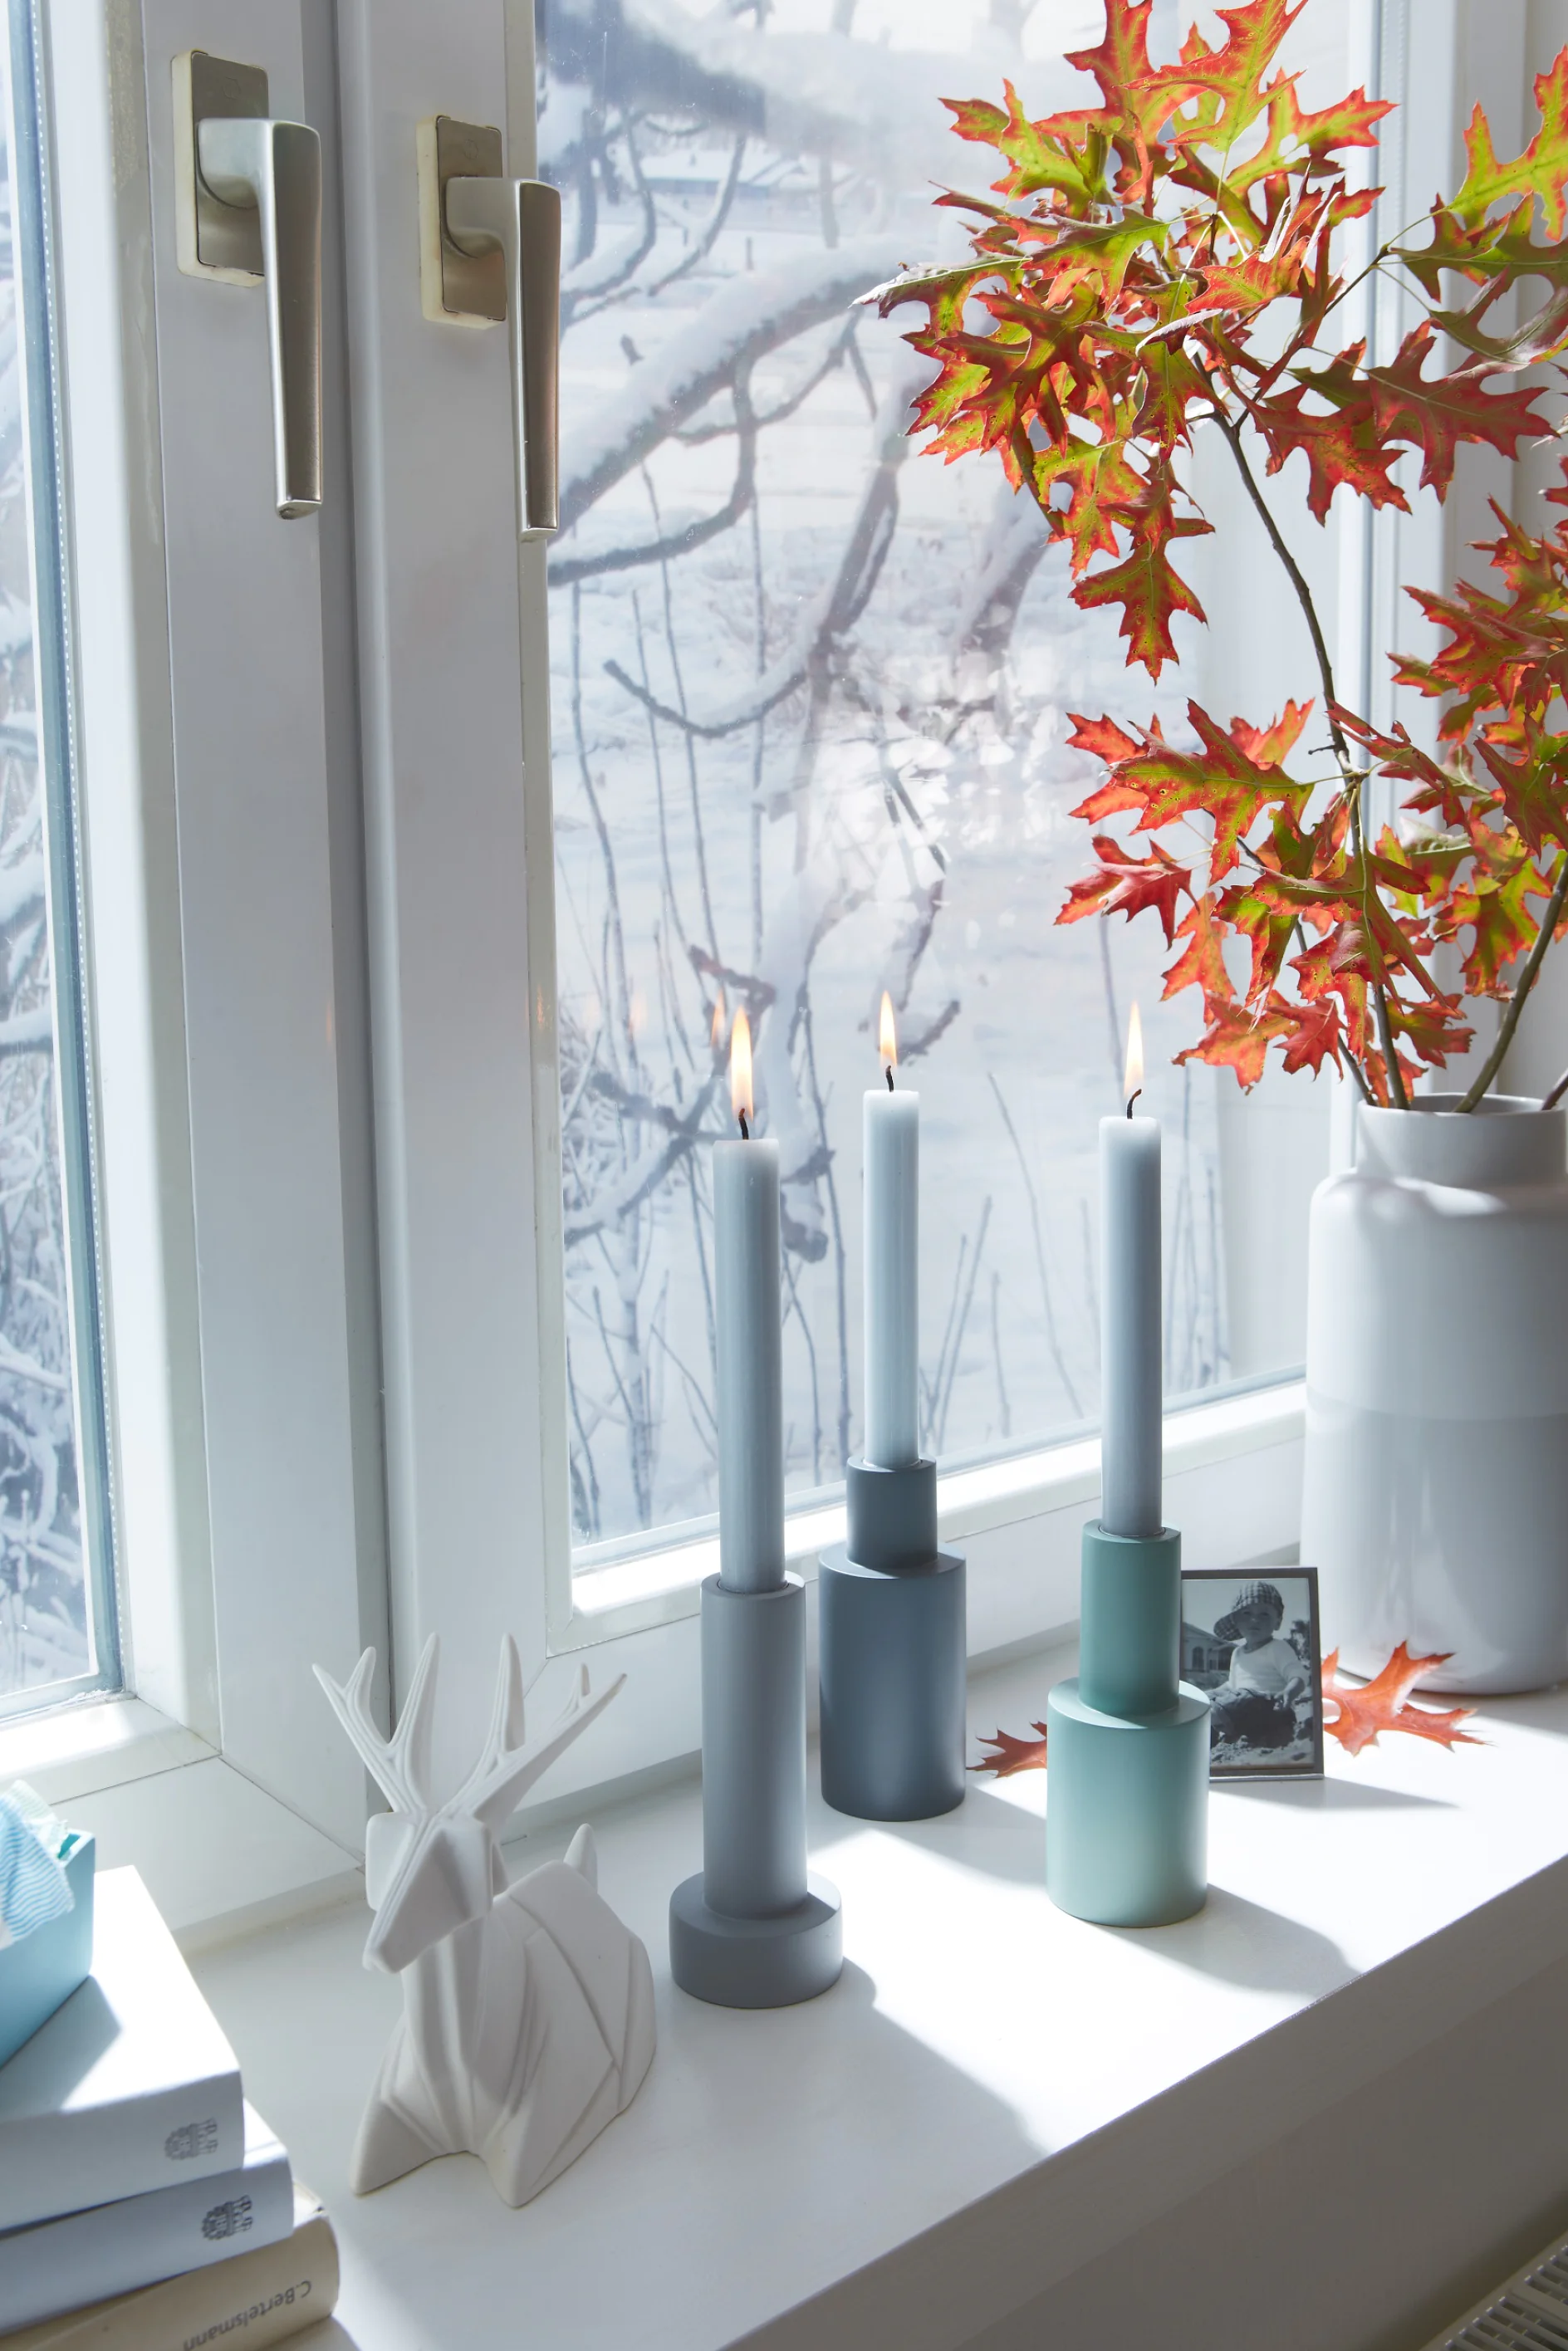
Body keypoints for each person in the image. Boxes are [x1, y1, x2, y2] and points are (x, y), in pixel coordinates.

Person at [1209, 1581, 1309, 1756]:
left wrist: (1289, 1692)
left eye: (1264, 1614)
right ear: (1236, 1621)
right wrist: (1212, 1693)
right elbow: (1233, 1686)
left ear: (1277, 1622)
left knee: (1249, 1697)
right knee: (1209, 1700)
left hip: (1272, 1710)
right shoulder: (1238, 1653)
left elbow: (1298, 1674)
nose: (1255, 1620)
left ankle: (1222, 1720)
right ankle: (1209, 1737)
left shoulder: (1277, 1648)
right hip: (1242, 1708)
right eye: (1247, 1613)